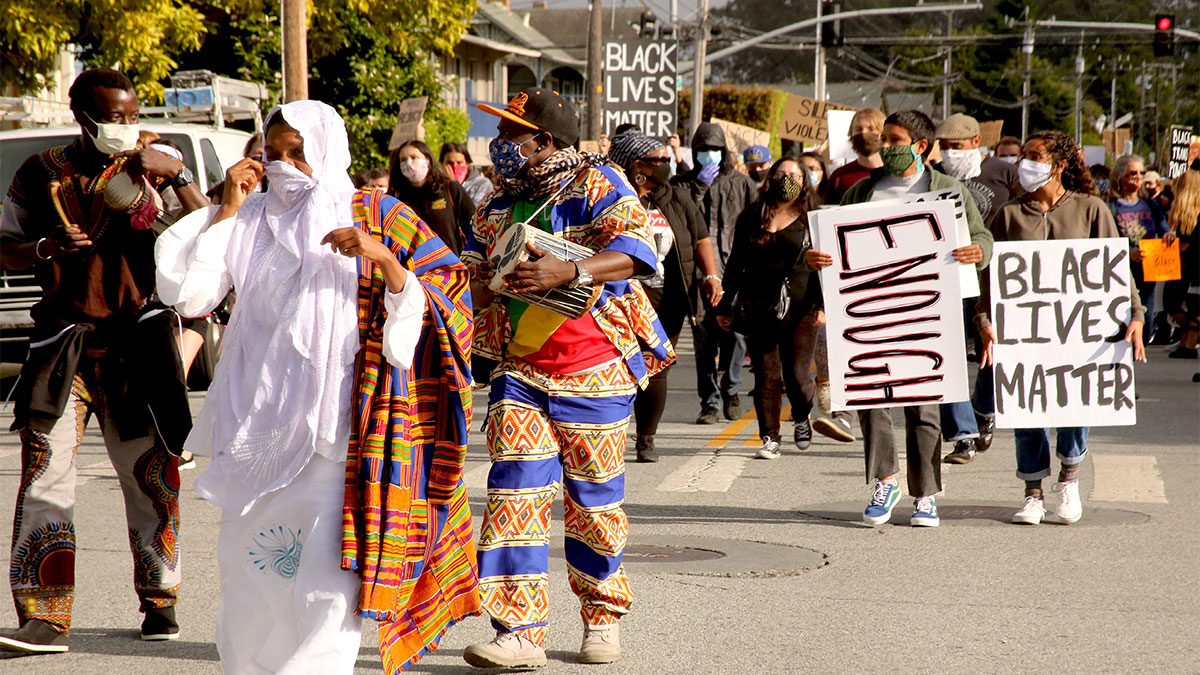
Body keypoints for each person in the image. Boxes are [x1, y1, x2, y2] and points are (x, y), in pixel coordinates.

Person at [153, 100, 480, 673]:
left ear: (327, 150)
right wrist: (226, 208)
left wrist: (382, 258)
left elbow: (447, 299)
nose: (283, 165)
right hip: (255, 435)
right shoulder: (249, 217)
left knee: (328, 595)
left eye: (297, 152)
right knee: (251, 590)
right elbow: (191, 296)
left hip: (342, 440)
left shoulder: (381, 215)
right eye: (272, 153)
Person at [461, 88, 673, 668]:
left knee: (595, 505)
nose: (500, 146)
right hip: (519, 371)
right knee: (514, 495)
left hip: (595, 367)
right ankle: (518, 631)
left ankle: (602, 616)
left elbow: (638, 251)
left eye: (510, 136)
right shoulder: (494, 205)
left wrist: (571, 268)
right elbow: (473, 275)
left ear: (544, 142)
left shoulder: (601, 185)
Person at [0, 68, 208, 655]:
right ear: (81, 115)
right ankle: (44, 619)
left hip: (135, 346)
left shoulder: (152, 170)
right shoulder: (39, 173)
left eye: (131, 115)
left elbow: (211, 236)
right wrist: (44, 248)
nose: (124, 126)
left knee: (150, 479)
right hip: (63, 343)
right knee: (44, 478)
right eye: (112, 116)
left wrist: (181, 174)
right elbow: (4, 246)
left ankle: (160, 599)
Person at [805, 110, 992, 528]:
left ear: (921, 146)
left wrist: (977, 251)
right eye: (884, 139)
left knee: (924, 405)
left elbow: (982, 236)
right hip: (871, 314)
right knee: (872, 401)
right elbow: (830, 244)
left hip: (927, 313)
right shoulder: (860, 192)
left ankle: (925, 493)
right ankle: (885, 481)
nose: (884, 146)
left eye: (893, 139)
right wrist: (814, 259)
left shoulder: (950, 192)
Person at [978, 130, 1146, 525]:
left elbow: (1115, 270)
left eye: (1035, 156)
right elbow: (991, 280)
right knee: (1026, 406)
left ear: (1060, 165)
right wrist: (984, 321)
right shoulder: (1008, 213)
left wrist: (1136, 315)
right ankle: (1032, 491)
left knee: (1075, 401)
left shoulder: (1091, 209)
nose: (1025, 163)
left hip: (1078, 333)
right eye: (1023, 156)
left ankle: (1069, 477)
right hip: (1024, 333)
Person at [609, 128, 722, 463]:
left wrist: (712, 275)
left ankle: (646, 438)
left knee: (656, 366)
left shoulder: (677, 197)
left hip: (668, 297)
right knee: (617, 367)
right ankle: (609, 433)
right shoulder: (611, 197)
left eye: (667, 159)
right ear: (636, 165)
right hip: (620, 296)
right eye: (658, 160)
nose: (666, 165)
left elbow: (701, 238)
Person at [716, 157, 823, 459]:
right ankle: (770, 437)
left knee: (798, 375)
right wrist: (725, 305)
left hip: (802, 307)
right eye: (781, 173)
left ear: (805, 182)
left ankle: (802, 415)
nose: (787, 179)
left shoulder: (811, 218)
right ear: (770, 178)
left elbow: (828, 266)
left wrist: (823, 306)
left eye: (795, 175)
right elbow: (735, 264)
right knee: (766, 374)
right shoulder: (752, 216)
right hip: (758, 306)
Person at [931, 113, 1020, 463]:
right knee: (948, 353)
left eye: (957, 146)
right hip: (947, 279)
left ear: (975, 142)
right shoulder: (934, 177)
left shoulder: (1004, 172)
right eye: (945, 147)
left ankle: (984, 408)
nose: (951, 153)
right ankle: (963, 433)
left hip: (993, 278)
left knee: (991, 350)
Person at [672, 122, 758, 424]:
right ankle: (709, 401)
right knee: (704, 339)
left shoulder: (743, 184)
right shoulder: (682, 183)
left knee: (736, 335)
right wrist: (699, 188)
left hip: (735, 273)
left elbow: (756, 225)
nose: (709, 155)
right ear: (694, 152)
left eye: (715, 149)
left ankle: (731, 390)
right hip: (697, 276)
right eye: (703, 150)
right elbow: (678, 218)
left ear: (724, 151)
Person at [1108, 154, 1169, 343]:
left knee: (1148, 321)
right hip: (1123, 266)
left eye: (1141, 172)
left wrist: (1168, 234)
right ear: (1119, 176)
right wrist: (1127, 252)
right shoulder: (1111, 206)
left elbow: (1163, 227)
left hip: (1149, 265)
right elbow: (1107, 238)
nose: (1138, 177)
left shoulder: (1150, 204)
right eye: (1132, 172)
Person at [388, 139, 475, 255]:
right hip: (413, 269)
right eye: (403, 160)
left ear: (427, 160)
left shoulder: (450, 189)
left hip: (450, 266)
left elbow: (473, 227)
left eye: (414, 157)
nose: (409, 163)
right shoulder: (397, 197)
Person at [1165, 169, 1200, 359]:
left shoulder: (1177, 208)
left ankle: (1189, 341)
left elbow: (1171, 231)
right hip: (1192, 262)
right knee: (1191, 303)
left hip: (1179, 261)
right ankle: (1187, 341)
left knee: (1174, 304)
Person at [825, 108, 885, 204]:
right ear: (851, 134)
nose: (864, 133)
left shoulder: (894, 174)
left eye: (870, 129)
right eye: (858, 129)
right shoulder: (839, 176)